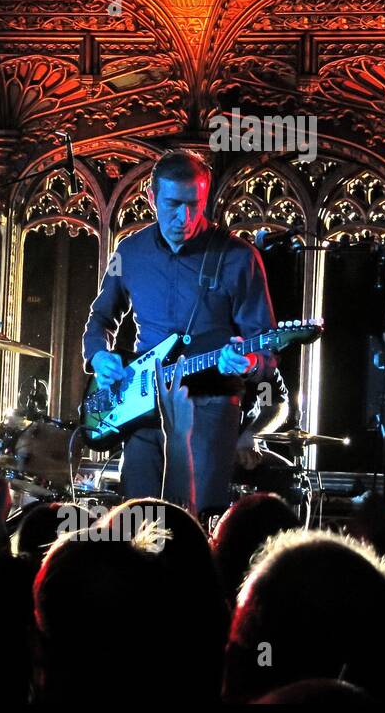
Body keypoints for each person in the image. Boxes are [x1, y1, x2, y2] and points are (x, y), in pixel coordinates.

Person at [82, 151, 276, 520]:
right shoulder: (130, 251)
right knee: (135, 520)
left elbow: (265, 344)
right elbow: (100, 318)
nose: (184, 218)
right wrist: (99, 356)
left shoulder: (238, 257)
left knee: (195, 520)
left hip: (210, 405)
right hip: (141, 403)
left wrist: (249, 361)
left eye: (194, 205)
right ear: (151, 199)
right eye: (173, 204)